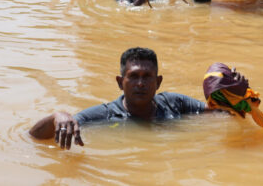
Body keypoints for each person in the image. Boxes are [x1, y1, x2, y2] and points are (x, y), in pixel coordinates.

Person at [29, 47, 209, 150]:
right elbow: (32, 137)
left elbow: (220, 112)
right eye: (133, 76)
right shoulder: (104, 115)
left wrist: (234, 93)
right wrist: (56, 117)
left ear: (158, 82)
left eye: (147, 76)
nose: (140, 83)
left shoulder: (174, 103)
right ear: (120, 82)